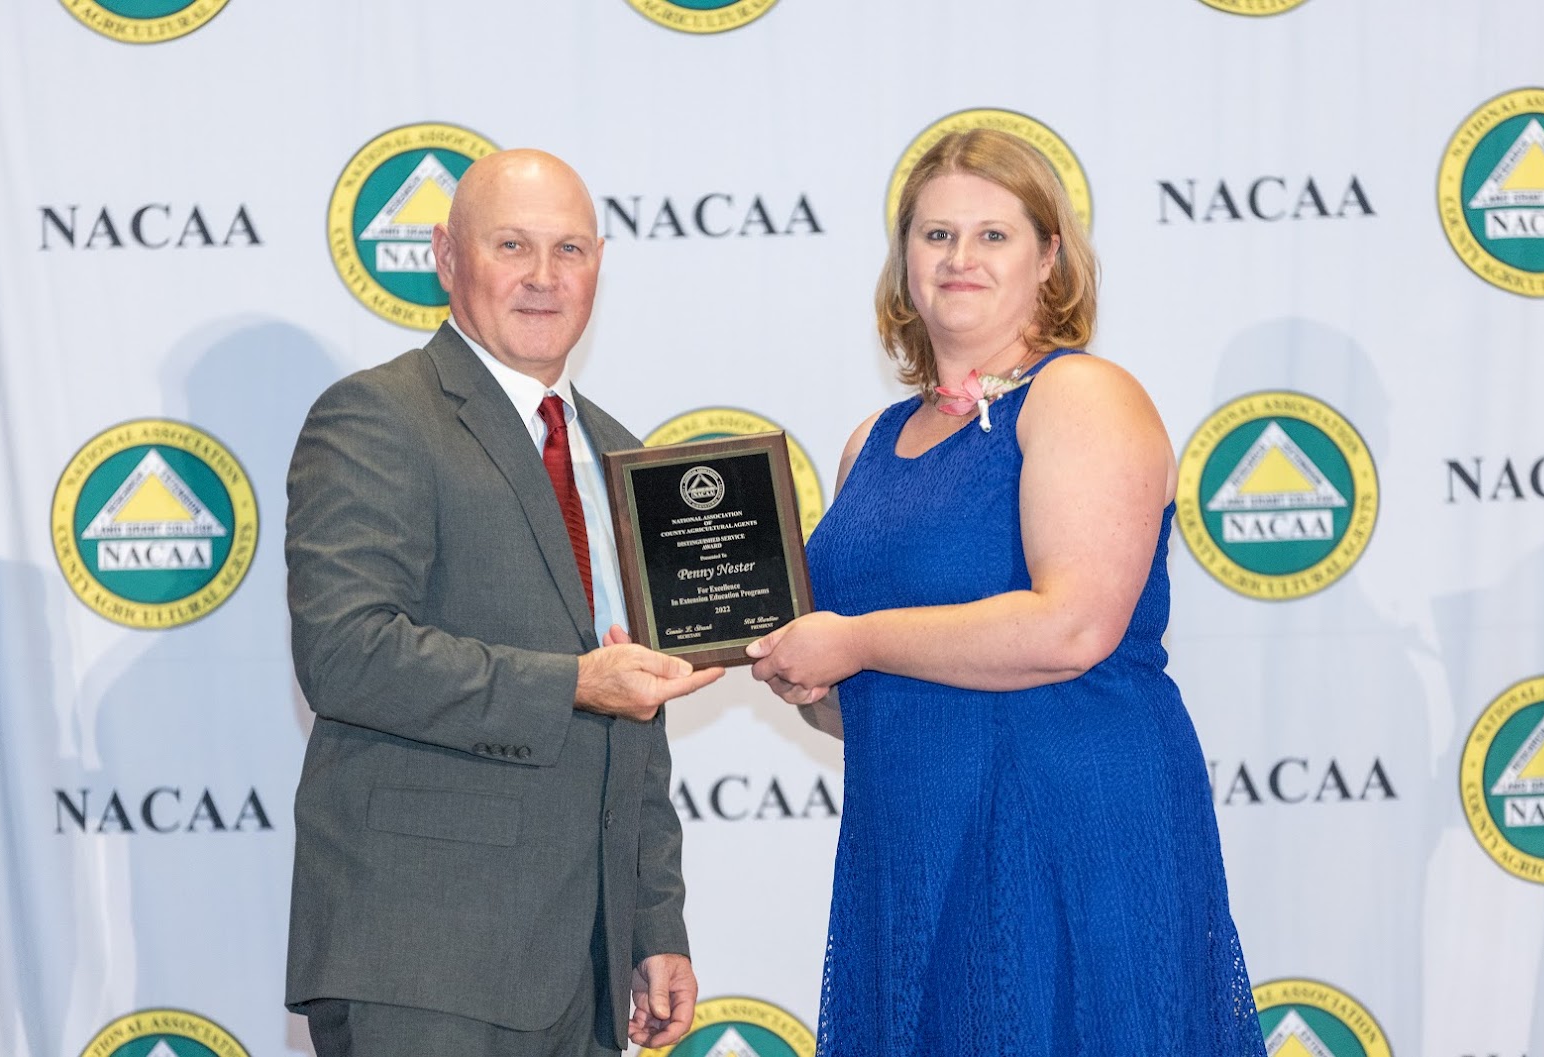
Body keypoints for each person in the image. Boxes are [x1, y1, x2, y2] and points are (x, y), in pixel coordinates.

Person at [746, 129, 1266, 1054]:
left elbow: (1071, 627)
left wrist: (855, 642)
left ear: (1049, 258)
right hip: (911, 844)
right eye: (935, 234)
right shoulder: (871, 441)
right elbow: (872, 694)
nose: (958, 258)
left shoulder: (1082, 396)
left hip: (1064, 830)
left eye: (993, 235)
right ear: (903, 258)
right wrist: (809, 679)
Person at [283, 149, 723, 1057]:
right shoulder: (377, 416)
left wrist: (653, 923)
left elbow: (635, 709)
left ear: (599, 263)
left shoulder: (620, 454)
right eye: (512, 245)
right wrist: (570, 682)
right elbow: (345, 652)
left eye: (568, 250)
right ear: (447, 258)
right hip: (425, 957)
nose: (543, 277)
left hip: (587, 966)